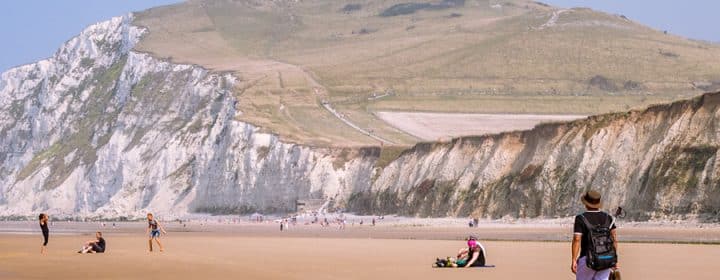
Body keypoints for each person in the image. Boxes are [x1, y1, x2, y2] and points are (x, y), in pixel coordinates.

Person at [571, 190, 619, 280]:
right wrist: (614, 259)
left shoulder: (581, 218)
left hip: (587, 259)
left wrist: (574, 259)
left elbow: (577, 239)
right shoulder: (608, 217)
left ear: (586, 204)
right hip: (606, 258)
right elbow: (614, 239)